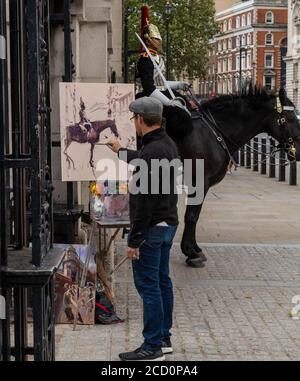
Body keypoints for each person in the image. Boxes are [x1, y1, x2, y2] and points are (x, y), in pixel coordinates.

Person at [107, 97, 179, 361]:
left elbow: (144, 200)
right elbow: (145, 160)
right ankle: (164, 337)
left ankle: (152, 346)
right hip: (168, 223)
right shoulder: (166, 144)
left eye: (133, 119)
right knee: (162, 282)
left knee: (149, 286)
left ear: (139, 119)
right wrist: (121, 151)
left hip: (152, 227)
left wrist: (134, 241)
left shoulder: (152, 151)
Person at [136, 5, 191, 114]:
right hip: (151, 97)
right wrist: (168, 102)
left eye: (158, 38)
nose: (158, 41)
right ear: (147, 40)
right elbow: (149, 87)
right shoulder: (145, 60)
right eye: (155, 39)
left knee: (185, 104)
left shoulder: (159, 58)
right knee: (176, 112)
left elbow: (162, 83)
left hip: (161, 93)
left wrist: (179, 84)